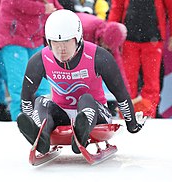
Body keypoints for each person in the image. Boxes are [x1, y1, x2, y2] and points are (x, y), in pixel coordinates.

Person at [17, 10, 145, 155]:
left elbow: (120, 93)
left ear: (77, 39)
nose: (62, 49)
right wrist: (29, 120)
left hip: (97, 113)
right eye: (56, 43)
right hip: (62, 114)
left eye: (66, 42)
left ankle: (81, 132)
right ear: (48, 42)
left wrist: (132, 124)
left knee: (85, 98)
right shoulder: (39, 60)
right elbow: (26, 96)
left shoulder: (99, 56)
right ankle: (41, 137)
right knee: (41, 102)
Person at [0, 0, 63, 121]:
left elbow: (55, 7)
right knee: (19, 83)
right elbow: (17, 3)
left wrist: (64, 16)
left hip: (34, 38)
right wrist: (43, 9)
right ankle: (19, 119)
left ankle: (44, 117)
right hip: (13, 37)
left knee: (43, 81)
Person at [108, 0, 172, 118]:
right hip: (129, 40)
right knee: (127, 81)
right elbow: (117, 7)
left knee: (151, 83)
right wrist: (111, 34)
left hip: (153, 39)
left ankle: (148, 115)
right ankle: (126, 115)